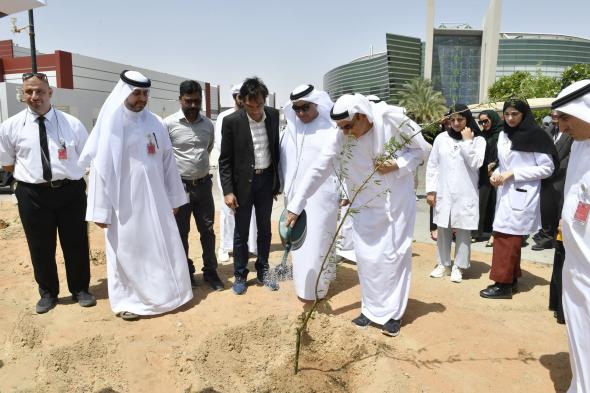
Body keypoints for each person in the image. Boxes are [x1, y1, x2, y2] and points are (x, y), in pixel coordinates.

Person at [286, 94, 430, 336]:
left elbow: (422, 150)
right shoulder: (340, 135)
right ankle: (371, 310)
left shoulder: (392, 120)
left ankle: (393, 314)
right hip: (364, 204)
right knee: (367, 258)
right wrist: (296, 205)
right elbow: (319, 169)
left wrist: (396, 164)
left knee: (393, 257)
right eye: (341, 128)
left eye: (349, 126)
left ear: (363, 115)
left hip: (395, 203)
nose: (346, 133)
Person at [80, 70, 192, 320]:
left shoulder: (156, 122)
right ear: (124, 92)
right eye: (136, 93)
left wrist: (174, 198)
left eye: (145, 93)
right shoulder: (111, 123)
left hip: (156, 199)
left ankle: (166, 296)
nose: (141, 98)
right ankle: (129, 302)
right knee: (128, 251)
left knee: (159, 247)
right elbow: (100, 169)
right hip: (124, 205)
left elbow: (167, 162)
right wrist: (100, 209)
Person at [0, 72, 95, 314]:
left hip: (70, 192)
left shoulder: (72, 124)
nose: (34, 96)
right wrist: (34, 178)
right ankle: (48, 293)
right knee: (40, 246)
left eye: (40, 91)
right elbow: (8, 163)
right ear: (23, 94)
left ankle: (80, 289)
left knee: (76, 242)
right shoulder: (10, 126)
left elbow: (88, 158)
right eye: (28, 92)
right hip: (33, 195)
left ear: (50, 93)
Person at [480, 99, 556, 299]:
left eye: (515, 114)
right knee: (507, 237)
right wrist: (498, 173)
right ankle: (511, 279)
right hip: (505, 192)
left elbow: (547, 168)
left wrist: (513, 174)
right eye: (507, 114)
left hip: (523, 194)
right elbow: (504, 163)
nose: (511, 118)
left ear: (524, 114)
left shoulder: (536, 136)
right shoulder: (504, 134)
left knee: (507, 240)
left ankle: (502, 284)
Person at [218, 77, 281, 295]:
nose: (255, 111)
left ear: (265, 100)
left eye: (259, 105)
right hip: (243, 185)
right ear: (242, 101)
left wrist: (276, 182)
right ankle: (240, 274)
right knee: (241, 233)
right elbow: (224, 160)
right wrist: (228, 191)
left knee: (265, 230)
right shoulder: (232, 122)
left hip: (265, 183)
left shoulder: (273, 115)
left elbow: (275, 150)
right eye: (250, 106)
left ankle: (263, 269)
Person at [279, 84, 339, 300]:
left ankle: (317, 289)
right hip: (294, 197)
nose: (301, 113)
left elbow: (339, 164)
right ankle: (302, 284)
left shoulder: (331, 129)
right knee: (299, 243)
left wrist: (343, 191)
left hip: (322, 197)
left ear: (317, 104)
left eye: (305, 108)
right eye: (297, 109)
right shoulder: (291, 129)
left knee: (319, 241)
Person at [164, 80, 224, 291]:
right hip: (179, 188)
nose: (192, 105)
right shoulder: (168, 124)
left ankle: (210, 271)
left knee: (207, 231)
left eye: (197, 101)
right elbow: (164, 157)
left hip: (203, 186)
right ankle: (185, 272)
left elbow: (207, 149)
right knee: (181, 232)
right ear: (180, 99)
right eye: (188, 101)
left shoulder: (208, 124)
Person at [552, 79, 590, 393]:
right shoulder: (579, 145)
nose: (561, 126)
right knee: (580, 336)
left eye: (566, 118)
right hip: (576, 266)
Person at [426, 104, 486, 283]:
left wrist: (467, 141)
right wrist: (431, 190)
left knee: (463, 230)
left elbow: (476, 163)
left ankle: (459, 266)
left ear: (467, 119)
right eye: (452, 120)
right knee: (443, 228)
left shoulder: (478, 140)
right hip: (444, 191)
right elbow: (433, 165)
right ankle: (443, 264)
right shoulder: (441, 138)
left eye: (460, 119)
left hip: (465, 192)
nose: (456, 123)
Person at [214, 84, 257, 263]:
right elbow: (218, 145)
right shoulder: (224, 117)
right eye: (238, 96)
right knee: (228, 211)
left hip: (248, 172)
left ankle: (247, 245)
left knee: (248, 210)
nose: (241, 100)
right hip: (228, 171)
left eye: (244, 96)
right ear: (234, 98)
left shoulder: (253, 115)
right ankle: (224, 247)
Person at [532, 110, 573, 250]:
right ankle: (547, 236)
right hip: (546, 176)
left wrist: (555, 167)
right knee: (546, 207)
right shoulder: (548, 130)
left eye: (558, 113)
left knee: (560, 208)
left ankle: (558, 238)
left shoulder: (571, 131)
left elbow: (569, 155)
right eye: (553, 112)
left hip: (562, 175)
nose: (554, 114)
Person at [473, 110, 502, 247]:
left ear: (493, 119)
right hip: (484, 173)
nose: (483, 124)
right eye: (481, 122)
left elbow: (505, 153)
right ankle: (478, 232)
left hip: (499, 173)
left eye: (486, 121)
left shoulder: (503, 134)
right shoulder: (482, 136)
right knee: (482, 201)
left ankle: (495, 234)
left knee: (497, 203)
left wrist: (495, 165)